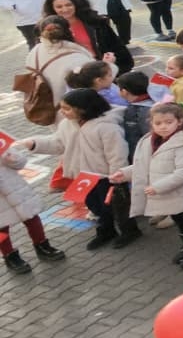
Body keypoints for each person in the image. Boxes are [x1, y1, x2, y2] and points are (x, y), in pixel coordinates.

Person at [17, 88, 133, 250]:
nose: (62, 112)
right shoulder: (67, 125)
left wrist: (117, 175)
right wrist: (35, 144)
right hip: (82, 176)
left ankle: (129, 231)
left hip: (105, 176)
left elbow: (117, 153)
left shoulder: (107, 127)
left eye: (67, 108)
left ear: (84, 108)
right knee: (94, 205)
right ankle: (107, 231)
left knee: (114, 207)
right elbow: (57, 143)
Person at [116, 102, 183, 267]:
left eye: (169, 122)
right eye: (158, 123)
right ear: (151, 123)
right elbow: (146, 164)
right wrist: (125, 174)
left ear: (179, 121)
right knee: (179, 218)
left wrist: (158, 187)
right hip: (169, 193)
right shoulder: (152, 140)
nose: (163, 127)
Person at [0, 132, 67, 274]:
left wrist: (12, 158)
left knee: (31, 217)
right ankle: (10, 256)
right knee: (1, 228)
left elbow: (20, 162)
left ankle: (42, 245)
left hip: (16, 189)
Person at [22, 16, 96, 122]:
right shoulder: (76, 57)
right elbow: (98, 82)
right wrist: (109, 64)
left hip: (50, 111)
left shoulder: (34, 52)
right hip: (78, 114)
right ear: (68, 30)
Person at [40, 0, 132, 74]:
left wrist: (112, 64)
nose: (65, 9)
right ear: (52, 9)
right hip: (72, 76)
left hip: (103, 70)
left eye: (69, 5)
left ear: (76, 4)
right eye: (59, 7)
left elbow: (117, 48)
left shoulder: (96, 22)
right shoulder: (47, 29)